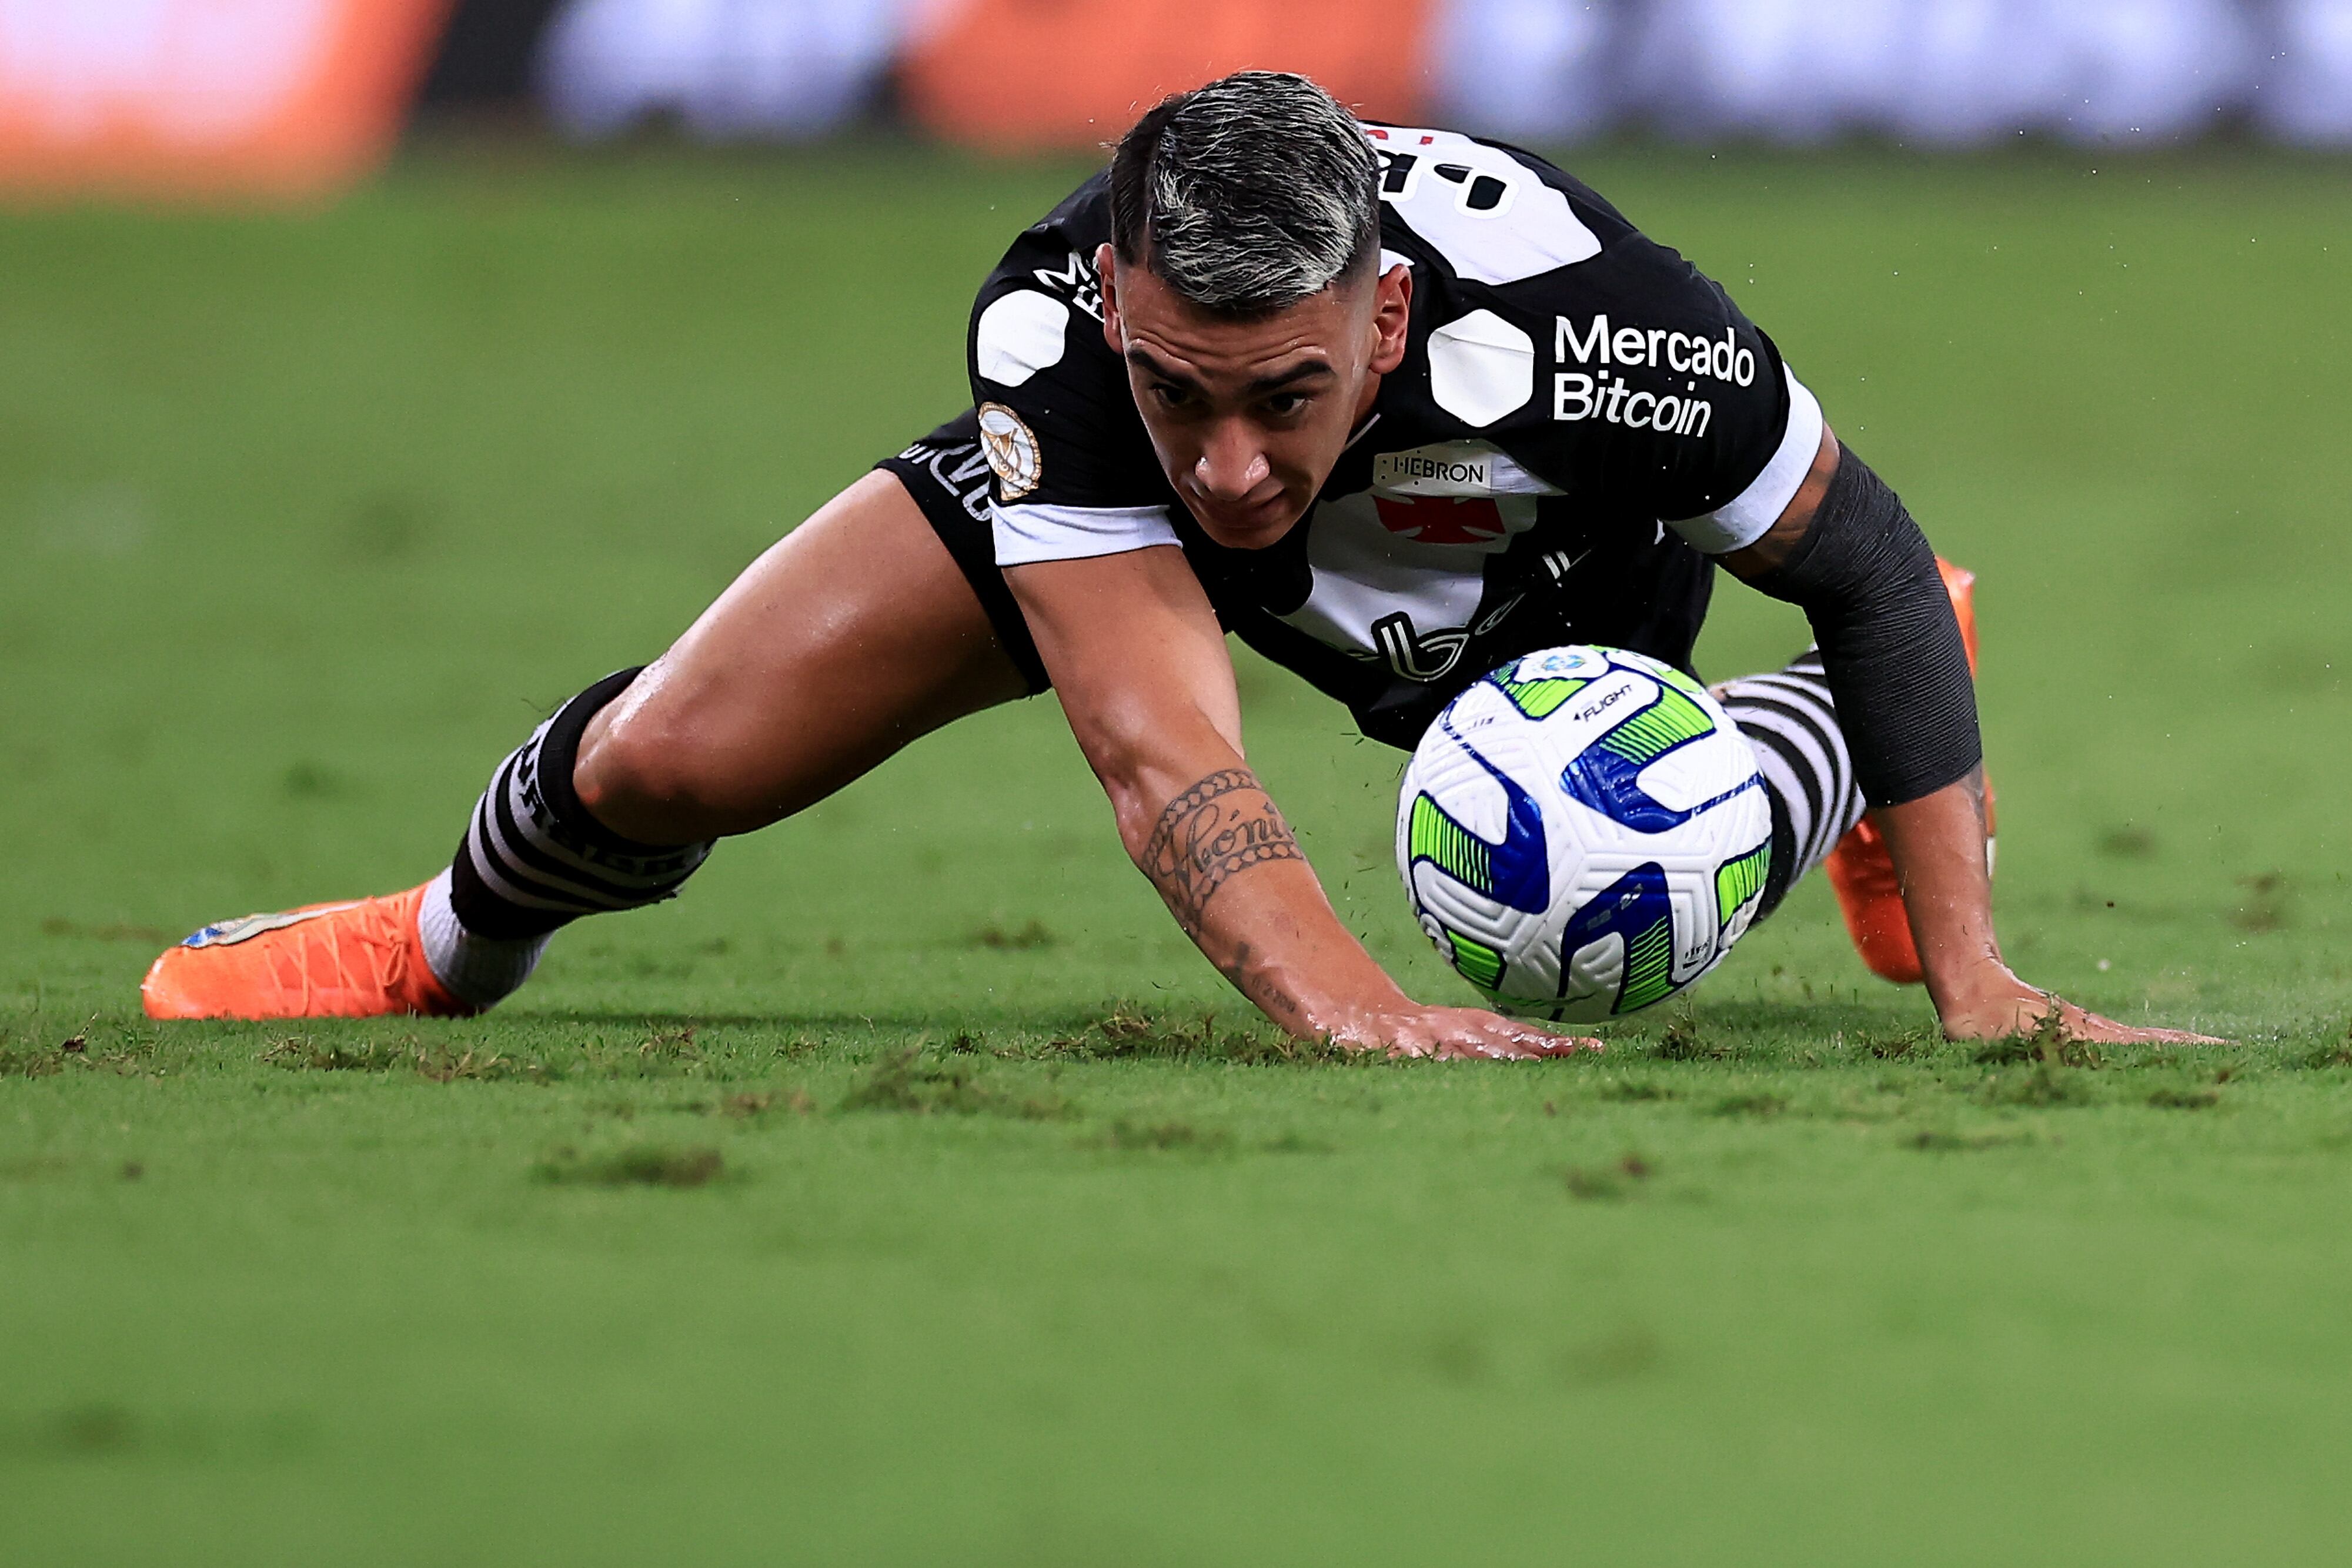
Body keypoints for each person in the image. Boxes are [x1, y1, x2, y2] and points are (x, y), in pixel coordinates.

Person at [140, 72, 2219, 1057]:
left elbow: (1863, 545)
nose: (1231, 458)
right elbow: (1155, 742)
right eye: (1181, 385)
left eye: (1285, 395)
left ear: (1386, 325)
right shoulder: (1058, 340)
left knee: (1605, 830)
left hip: (1533, 589)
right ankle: (432, 940)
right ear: (1117, 292)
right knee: (675, 751)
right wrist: (1340, 1002)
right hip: (1098, 535)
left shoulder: (1596, 331)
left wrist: (1983, 990)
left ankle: (1814, 760)